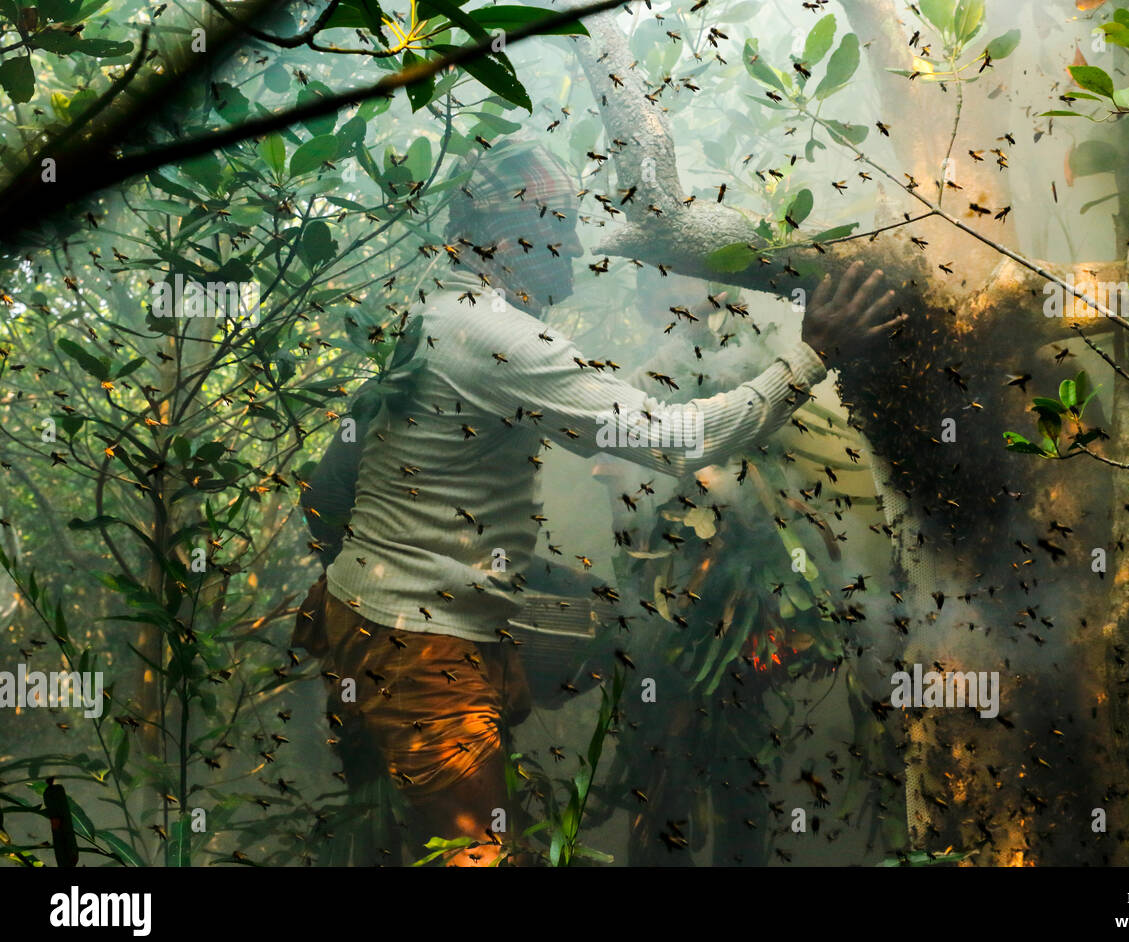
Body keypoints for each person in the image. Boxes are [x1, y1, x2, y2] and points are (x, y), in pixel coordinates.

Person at [292, 140, 903, 866]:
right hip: (420, 643)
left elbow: (334, 485)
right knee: (474, 857)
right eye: (557, 228)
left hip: (371, 614)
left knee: (614, 635)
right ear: (502, 240)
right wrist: (811, 355)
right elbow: (677, 439)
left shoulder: (435, 306)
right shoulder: (495, 339)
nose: (575, 247)